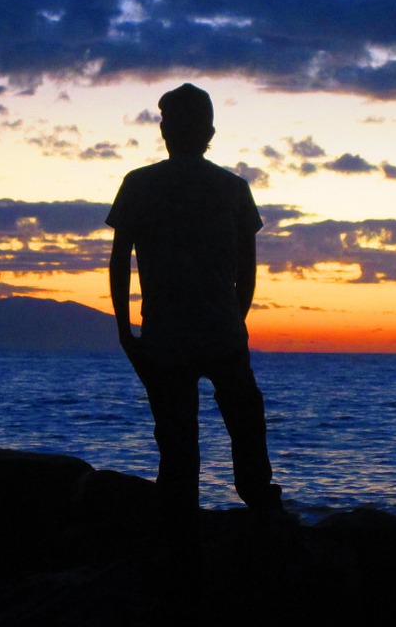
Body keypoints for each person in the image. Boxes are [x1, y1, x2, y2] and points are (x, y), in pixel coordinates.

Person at [106, 83, 283, 551]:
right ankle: (259, 518)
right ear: (208, 131)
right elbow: (248, 270)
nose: (166, 129)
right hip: (202, 333)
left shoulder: (144, 184)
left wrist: (127, 331)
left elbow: (120, 260)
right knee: (237, 428)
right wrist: (234, 318)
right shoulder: (228, 188)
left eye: (169, 121)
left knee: (183, 446)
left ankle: (188, 541)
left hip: (174, 336)